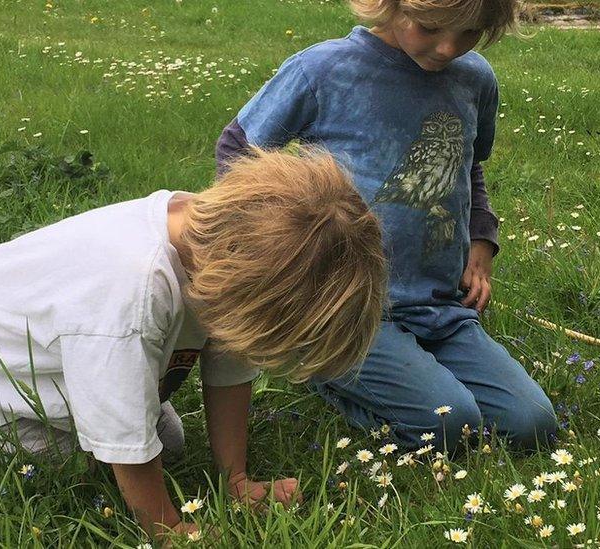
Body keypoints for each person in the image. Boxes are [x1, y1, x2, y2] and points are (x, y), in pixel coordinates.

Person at [0, 147, 389, 541]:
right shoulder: (129, 296)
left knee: (166, 444)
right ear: (241, 290)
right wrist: (169, 530)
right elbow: (122, 433)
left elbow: (232, 366)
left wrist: (235, 481)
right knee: (84, 458)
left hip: (55, 340)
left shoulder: (226, 243)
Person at [216, 0, 557, 455]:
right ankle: (325, 368)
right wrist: (275, 255)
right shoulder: (322, 70)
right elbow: (238, 151)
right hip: (346, 307)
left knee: (532, 424)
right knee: (450, 425)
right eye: (431, 27)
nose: (447, 48)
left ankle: (408, 371)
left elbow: (469, 165)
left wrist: (481, 237)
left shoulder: (474, 78)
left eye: (471, 32)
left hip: (439, 305)